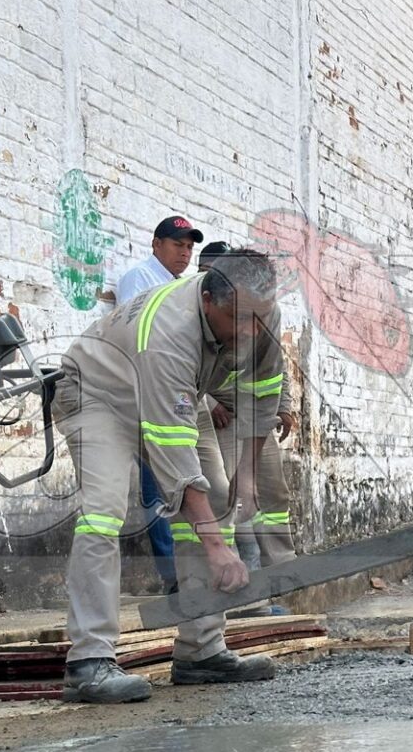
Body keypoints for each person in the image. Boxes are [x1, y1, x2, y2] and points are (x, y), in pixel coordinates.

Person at [54, 249, 285, 702]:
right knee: (105, 511)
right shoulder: (167, 332)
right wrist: (216, 547)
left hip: (178, 392)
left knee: (216, 497)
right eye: (236, 320)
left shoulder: (260, 312)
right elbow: (173, 452)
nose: (248, 332)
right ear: (207, 301)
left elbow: (262, 396)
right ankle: (89, 661)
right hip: (97, 393)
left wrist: (248, 479)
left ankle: (201, 652)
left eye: (257, 319)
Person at [195, 240, 300, 584]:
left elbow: (273, 366)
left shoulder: (259, 311)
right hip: (221, 416)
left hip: (253, 416)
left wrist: (281, 406)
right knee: (228, 495)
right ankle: (240, 580)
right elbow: (187, 374)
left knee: (271, 492)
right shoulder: (196, 316)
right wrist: (209, 404)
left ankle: (283, 575)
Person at [115, 215, 206, 595]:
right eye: (176, 245)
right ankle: (173, 576)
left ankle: (186, 573)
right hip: (143, 391)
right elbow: (139, 335)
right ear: (156, 244)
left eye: (189, 247)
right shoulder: (140, 279)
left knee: (181, 482)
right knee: (157, 488)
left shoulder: (179, 286)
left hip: (173, 394)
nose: (184, 253)